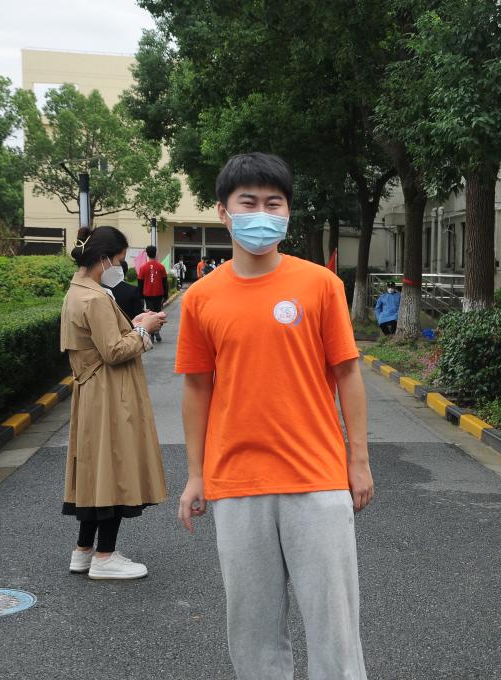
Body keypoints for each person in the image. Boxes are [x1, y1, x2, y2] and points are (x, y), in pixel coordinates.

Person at [176, 152, 372, 680]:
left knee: (335, 631)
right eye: (249, 203)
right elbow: (196, 388)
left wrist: (358, 462)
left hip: (317, 479)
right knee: (253, 634)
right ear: (223, 212)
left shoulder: (320, 285)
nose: (261, 214)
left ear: (287, 212)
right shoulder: (201, 298)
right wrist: (195, 475)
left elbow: (348, 374)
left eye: (274, 203)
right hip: (237, 482)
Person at [60, 226, 168, 580]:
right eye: (120, 260)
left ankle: (84, 550)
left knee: (96, 470)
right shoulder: (96, 298)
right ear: (104, 258)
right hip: (109, 392)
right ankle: (105, 556)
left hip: (93, 391)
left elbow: (102, 342)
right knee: (114, 468)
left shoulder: (79, 291)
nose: (121, 267)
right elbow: (114, 351)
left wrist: (133, 326)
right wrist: (145, 329)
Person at [137, 245, 168, 343]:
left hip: (147, 295)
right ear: (156, 253)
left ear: (147, 254)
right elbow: (165, 282)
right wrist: (166, 295)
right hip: (159, 294)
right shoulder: (161, 267)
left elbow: (140, 283)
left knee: (150, 314)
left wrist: (140, 296)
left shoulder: (143, 268)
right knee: (158, 314)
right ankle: (157, 332)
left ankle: (151, 334)